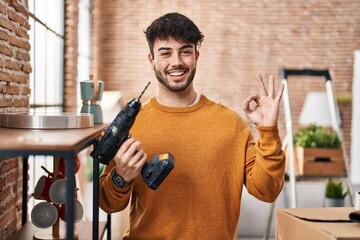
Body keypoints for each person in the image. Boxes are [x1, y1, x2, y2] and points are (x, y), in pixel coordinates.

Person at [99, 12, 285, 239]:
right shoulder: (131, 125)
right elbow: (108, 204)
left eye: (185, 51)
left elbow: (267, 190)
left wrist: (268, 131)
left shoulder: (230, 124)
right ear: (151, 59)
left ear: (196, 56)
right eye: (165, 53)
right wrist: (121, 176)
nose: (176, 62)